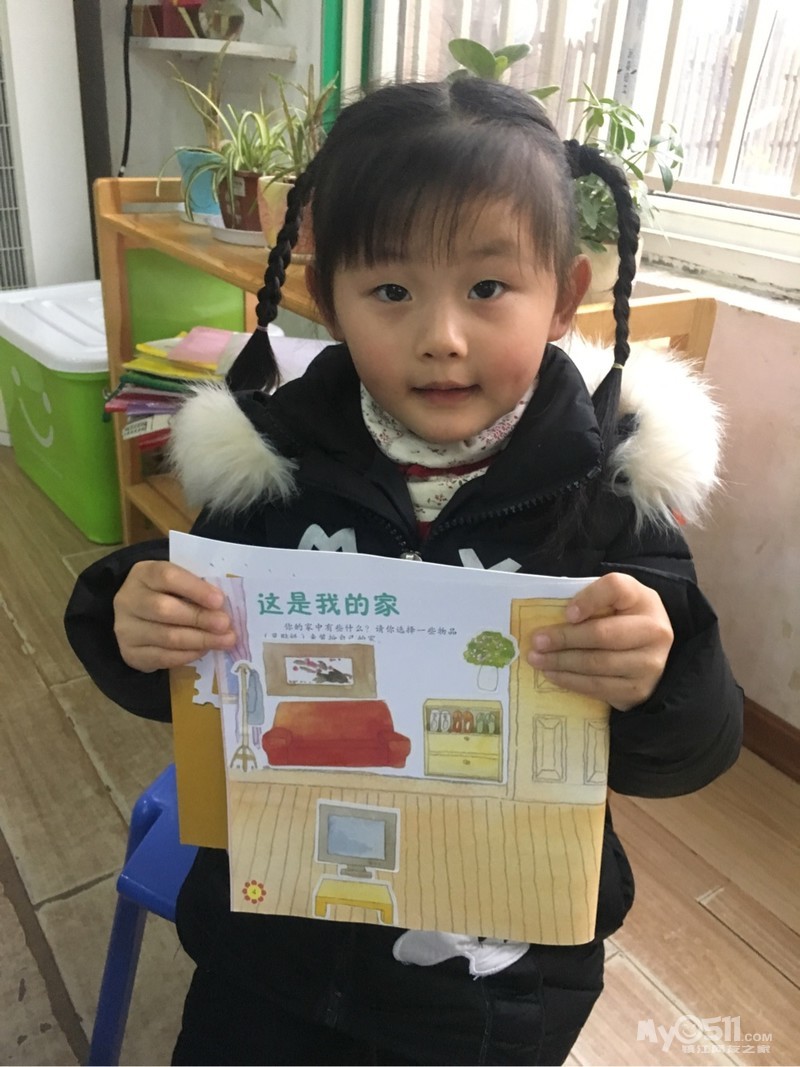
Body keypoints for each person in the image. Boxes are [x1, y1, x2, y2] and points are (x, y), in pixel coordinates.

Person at [65, 77, 742, 1065]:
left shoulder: (607, 496)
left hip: (487, 990)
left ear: (565, 295)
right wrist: (134, 619)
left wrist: (659, 670)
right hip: (269, 953)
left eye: (487, 288)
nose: (441, 337)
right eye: (390, 291)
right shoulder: (273, 466)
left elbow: (689, 748)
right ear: (326, 295)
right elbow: (190, 667)